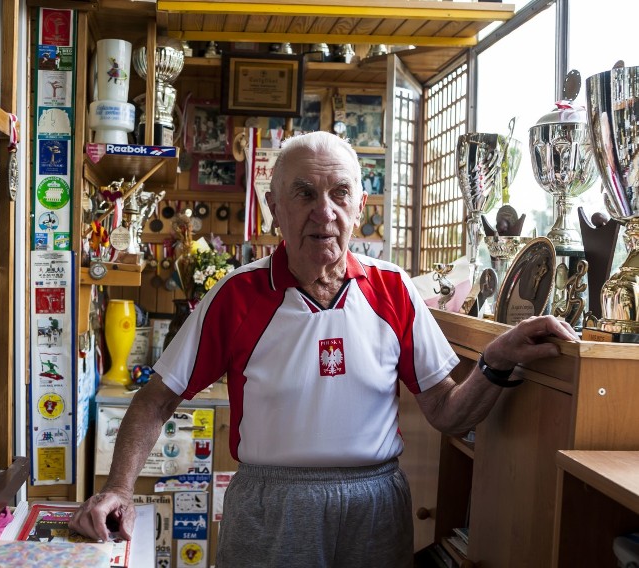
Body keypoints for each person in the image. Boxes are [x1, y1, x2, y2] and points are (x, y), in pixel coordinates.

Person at [69, 131, 578, 567]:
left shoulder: (394, 290)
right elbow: (156, 399)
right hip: (271, 507)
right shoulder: (237, 296)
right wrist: (116, 488)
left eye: (340, 193)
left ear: (360, 205)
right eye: (305, 193)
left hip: (375, 505)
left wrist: (497, 359)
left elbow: (445, 410)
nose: (324, 211)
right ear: (275, 209)